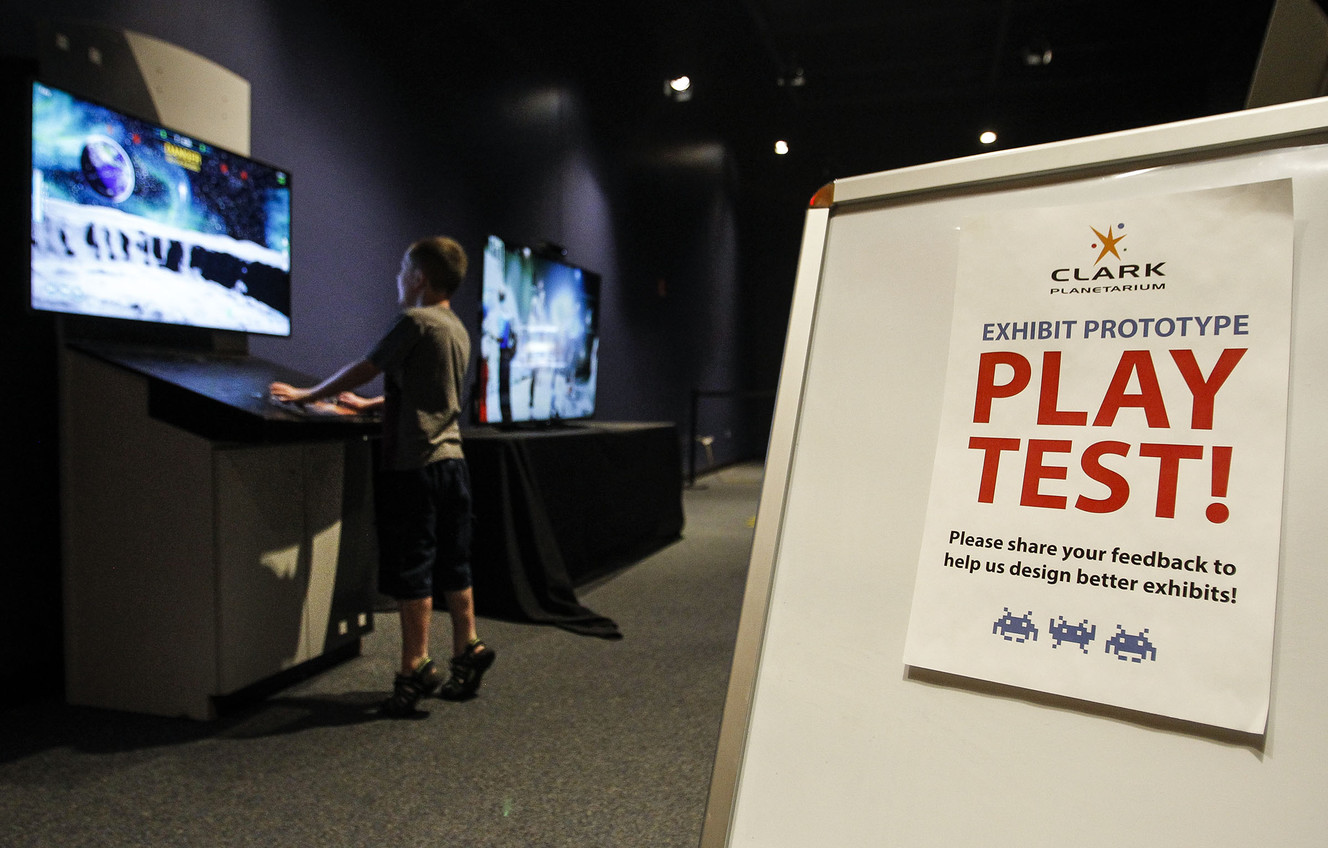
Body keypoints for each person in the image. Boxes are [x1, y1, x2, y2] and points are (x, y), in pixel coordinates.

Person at [270, 236, 495, 717]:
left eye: (401, 270)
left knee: (413, 565)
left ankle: (414, 667)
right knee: (454, 560)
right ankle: (468, 646)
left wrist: (308, 396)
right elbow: (431, 393)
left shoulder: (414, 320)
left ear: (418, 278)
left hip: (414, 465)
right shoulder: (455, 328)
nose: (397, 278)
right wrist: (371, 404)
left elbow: (367, 366)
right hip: (453, 463)